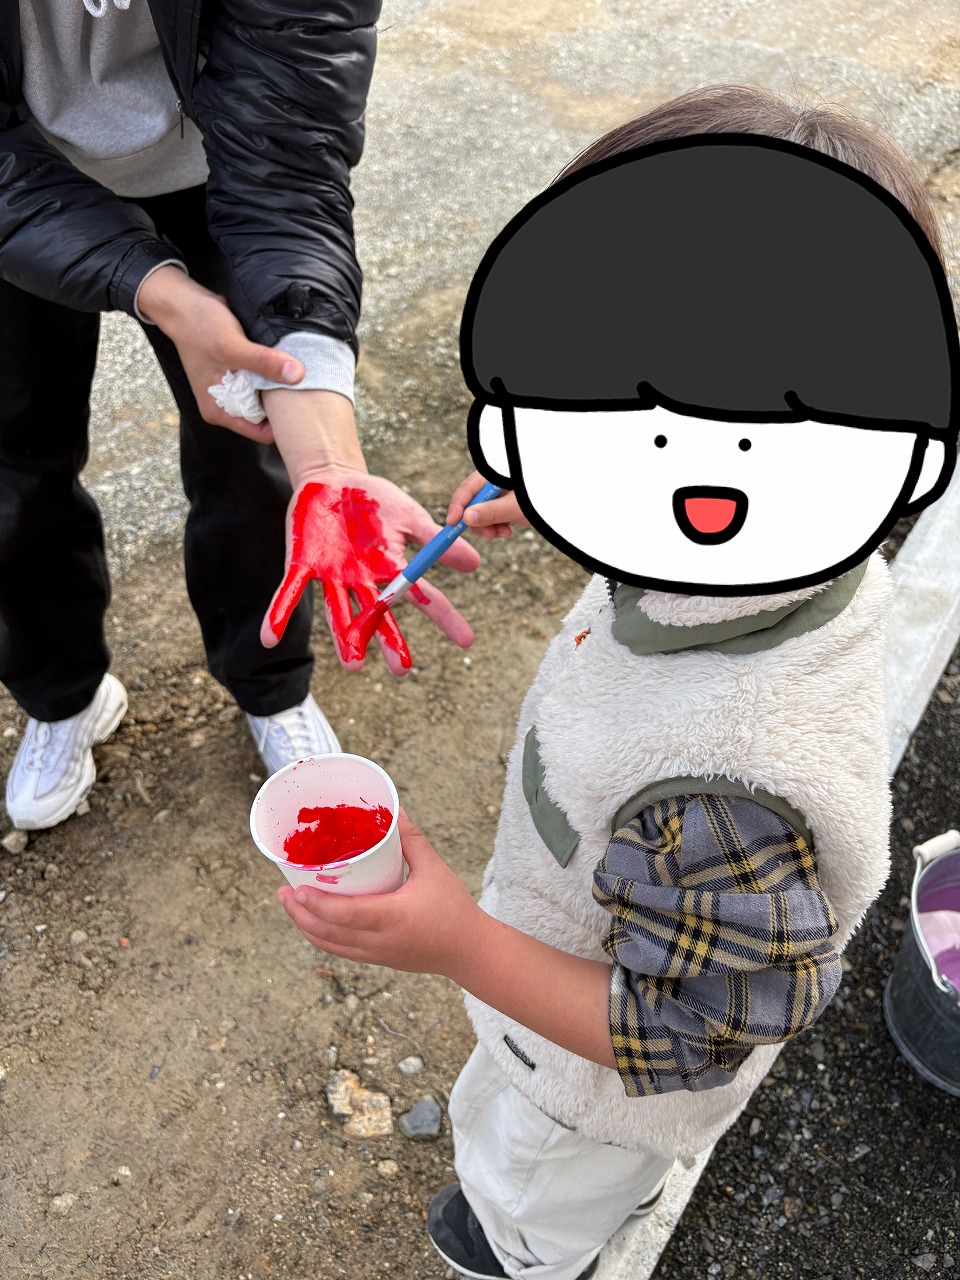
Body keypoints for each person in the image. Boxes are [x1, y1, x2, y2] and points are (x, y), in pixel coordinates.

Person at [277, 85, 958, 1280]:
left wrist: (457, 941)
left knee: (529, 1198)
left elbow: (684, 1033)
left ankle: (525, 1250)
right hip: (575, 977)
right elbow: (720, 491)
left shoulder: (731, 790)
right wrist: (578, 494)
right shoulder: (801, 549)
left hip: (592, 1101)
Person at [0, 0, 479, 831]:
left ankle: (270, 687)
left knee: (255, 466)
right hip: (13, 184)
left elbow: (289, 160)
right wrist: (159, 291)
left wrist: (329, 465)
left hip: (216, 166)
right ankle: (61, 694)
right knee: (14, 464)